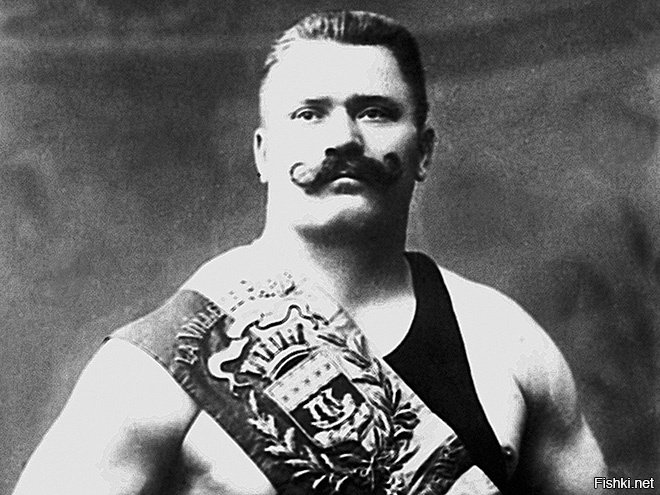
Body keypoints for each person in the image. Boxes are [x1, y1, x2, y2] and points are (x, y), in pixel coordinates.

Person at [12, 10, 607, 495]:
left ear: (424, 151)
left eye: (375, 112)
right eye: (308, 114)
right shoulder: (159, 366)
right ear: (263, 154)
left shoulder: (508, 341)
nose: (344, 138)